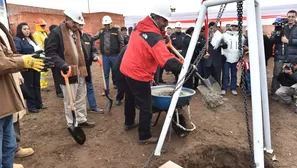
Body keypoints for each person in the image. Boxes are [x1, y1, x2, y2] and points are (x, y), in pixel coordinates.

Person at [120, 4, 184, 144]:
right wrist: (183, 66)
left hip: (127, 68)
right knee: (146, 106)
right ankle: (144, 136)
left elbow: (152, 35)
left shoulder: (142, 26)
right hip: (138, 73)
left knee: (130, 99)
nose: (167, 24)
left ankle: (128, 122)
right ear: (157, 18)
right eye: (165, 21)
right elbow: (166, 61)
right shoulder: (154, 37)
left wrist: (163, 36)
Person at [0, 22, 47, 168]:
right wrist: (23, 61)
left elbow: (7, 54)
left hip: (5, 101)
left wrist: (29, 57)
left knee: (8, 145)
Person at [45, 10, 96, 128]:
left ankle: (81, 118)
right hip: (67, 72)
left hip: (80, 70)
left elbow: (82, 50)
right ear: (66, 19)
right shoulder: (56, 33)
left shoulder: (78, 33)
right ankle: (72, 123)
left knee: (81, 97)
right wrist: (62, 64)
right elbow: (50, 52)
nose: (77, 25)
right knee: (70, 100)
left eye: (78, 23)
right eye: (74, 22)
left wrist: (89, 59)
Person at [14, 22, 47, 113]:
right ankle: (31, 106)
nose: (27, 31)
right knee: (29, 86)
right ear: (20, 30)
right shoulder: (17, 40)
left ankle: (39, 103)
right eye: (24, 29)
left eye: (28, 29)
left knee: (37, 84)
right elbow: (17, 53)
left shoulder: (31, 39)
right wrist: (28, 57)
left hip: (36, 64)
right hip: (27, 66)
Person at [93, 15, 124, 95]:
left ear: (111, 23)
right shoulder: (101, 31)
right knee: (105, 73)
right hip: (105, 56)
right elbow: (94, 37)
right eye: (105, 25)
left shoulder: (116, 31)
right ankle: (106, 89)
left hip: (115, 56)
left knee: (116, 72)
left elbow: (121, 42)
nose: (106, 26)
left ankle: (118, 87)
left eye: (108, 24)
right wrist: (85, 38)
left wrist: (121, 54)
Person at [78, 23, 104, 113]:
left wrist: (94, 56)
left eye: (81, 24)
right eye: (78, 24)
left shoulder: (88, 37)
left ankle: (93, 107)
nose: (79, 26)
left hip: (86, 67)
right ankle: (78, 110)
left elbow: (93, 50)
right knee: (78, 89)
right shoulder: (70, 38)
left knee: (89, 86)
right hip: (75, 68)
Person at [47, 24, 64, 98]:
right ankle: (58, 91)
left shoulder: (60, 38)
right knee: (56, 77)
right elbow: (48, 51)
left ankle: (62, 90)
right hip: (54, 61)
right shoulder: (48, 40)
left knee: (61, 76)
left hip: (60, 61)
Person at [33, 18, 49, 92]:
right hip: (41, 54)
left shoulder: (44, 33)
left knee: (45, 71)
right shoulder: (36, 34)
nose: (43, 27)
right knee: (42, 71)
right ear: (38, 26)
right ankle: (42, 86)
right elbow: (39, 46)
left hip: (46, 53)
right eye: (42, 25)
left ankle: (44, 85)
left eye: (44, 25)